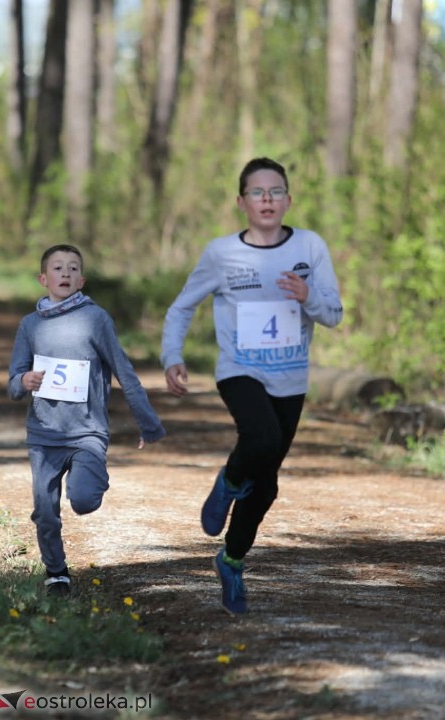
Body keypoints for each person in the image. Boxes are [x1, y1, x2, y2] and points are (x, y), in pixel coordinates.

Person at [161, 157, 343, 615]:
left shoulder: (309, 245)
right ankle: (227, 481)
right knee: (259, 438)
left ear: (288, 199)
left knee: (268, 488)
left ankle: (231, 560)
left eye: (276, 191)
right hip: (238, 370)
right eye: (257, 193)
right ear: (241, 202)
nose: (267, 200)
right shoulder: (222, 253)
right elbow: (182, 307)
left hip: (291, 378)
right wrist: (172, 356)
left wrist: (308, 297)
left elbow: (334, 314)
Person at [9, 244, 166, 596]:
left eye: (72, 268)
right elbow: (13, 380)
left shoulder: (95, 319)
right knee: (45, 511)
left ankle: (94, 477)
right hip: (43, 434)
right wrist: (23, 381)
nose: (65, 273)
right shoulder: (30, 326)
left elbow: (124, 372)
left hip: (87, 432)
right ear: (43, 278)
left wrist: (148, 422)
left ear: (81, 280)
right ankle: (57, 573)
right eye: (58, 268)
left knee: (83, 500)